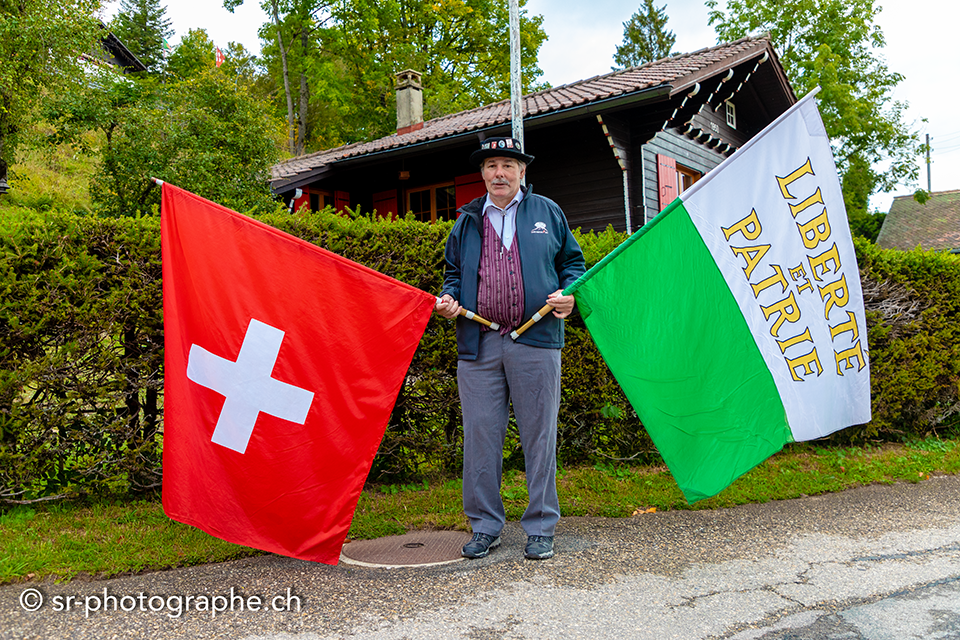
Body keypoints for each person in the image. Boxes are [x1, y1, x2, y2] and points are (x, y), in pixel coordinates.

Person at [435, 136, 586, 560]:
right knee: (480, 437)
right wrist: (449, 298)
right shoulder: (466, 221)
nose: (499, 173)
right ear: (482, 174)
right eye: (491, 166)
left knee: (540, 436)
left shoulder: (547, 212)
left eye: (507, 165)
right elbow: (452, 273)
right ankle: (485, 526)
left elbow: (572, 265)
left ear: (522, 171)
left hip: (536, 339)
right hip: (479, 343)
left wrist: (569, 294)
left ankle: (540, 527)